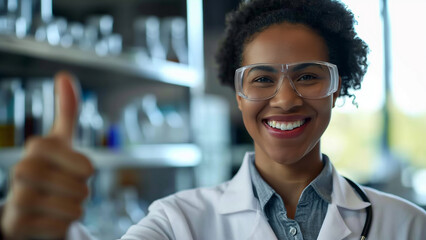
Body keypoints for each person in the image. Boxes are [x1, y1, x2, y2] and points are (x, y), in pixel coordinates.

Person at [1, 0, 425, 239]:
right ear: (238, 96)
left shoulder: (405, 225)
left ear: (338, 87)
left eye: (309, 76)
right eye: (261, 79)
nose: (285, 99)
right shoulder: (177, 222)